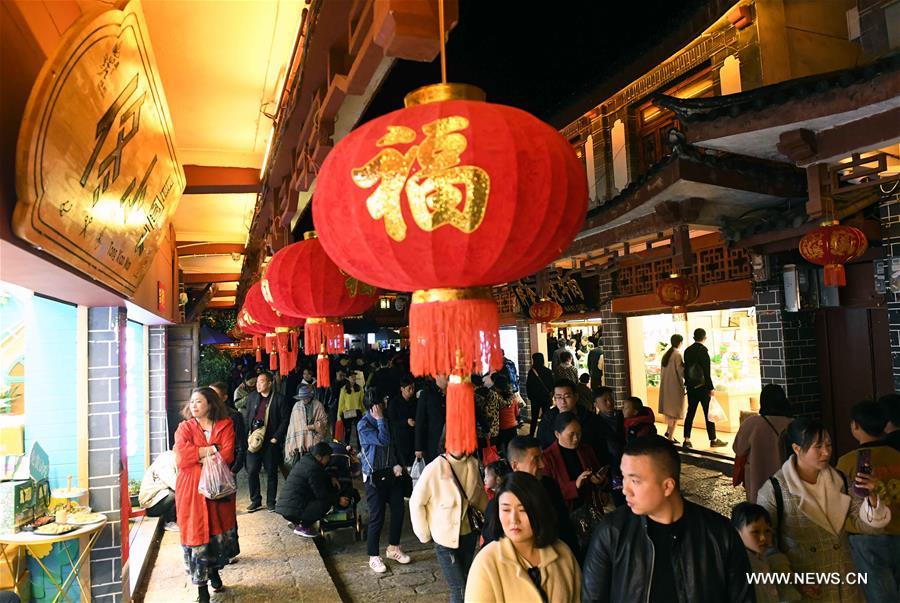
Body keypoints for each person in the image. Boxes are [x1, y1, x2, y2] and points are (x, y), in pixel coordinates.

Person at [582, 435, 753, 603]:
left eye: (634, 480)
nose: (625, 489)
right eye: (624, 477)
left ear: (667, 486)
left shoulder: (719, 534)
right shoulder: (611, 532)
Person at [757, 418, 891, 603]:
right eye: (817, 446)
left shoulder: (840, 480)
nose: (826, 452)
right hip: (806, 584)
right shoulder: (774, 490)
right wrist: (792, 580)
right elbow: (765, 546)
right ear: (797, 449)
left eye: (828, 444)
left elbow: (869, 526)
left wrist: (872, 496)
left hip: (844, 582)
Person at [466, 472, 582, 603]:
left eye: (523, 510)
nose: (513, 520)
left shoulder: (563, 553)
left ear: (539, 510)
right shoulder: (486, 563)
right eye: (506, 510)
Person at [174, 388, 239, 603]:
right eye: (192, 402)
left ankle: (214, 572)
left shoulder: (225, 425)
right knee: (196, 535)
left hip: (216, 490)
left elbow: (228, 454)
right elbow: (182, 457)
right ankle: (201, 589)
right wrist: (211, 449)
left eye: (199, 402)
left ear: (210, 404)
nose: (194, 405)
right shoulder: (184, 427)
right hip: (191, 490)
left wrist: (199, 454)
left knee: (214, 533)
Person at [836, 400, 900, 603]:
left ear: (855, 425)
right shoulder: (897, 456)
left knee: (879, 596)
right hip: (899, 531)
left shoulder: (846, 462)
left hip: (865, 538)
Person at [409, 448, 488, 603]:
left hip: (469, 533)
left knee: (465, 580)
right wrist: (424, 534)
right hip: (444, 538)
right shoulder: (434, 467)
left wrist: (493, 519)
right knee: (459, 588)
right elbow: (416, 502)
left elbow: (479, 497)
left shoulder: (472, 463)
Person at [482, 436, 579, 559]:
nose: (542, 465)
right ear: (515, 466)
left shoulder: (550, 487)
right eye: (536, 460)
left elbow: (565, 527)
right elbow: (491, 546)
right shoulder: (501, 501)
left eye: (542, 458)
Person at [357, 395, 412, 573]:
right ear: (374, 407)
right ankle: (373, 556)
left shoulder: (386, 420)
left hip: (391, 473)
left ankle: (393, 548)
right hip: (374, 476)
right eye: (382, 402)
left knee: (398, 510)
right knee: (377, 516)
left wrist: (398, 463)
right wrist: (380, 420)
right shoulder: (363, 425)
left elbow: (393, 445)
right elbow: (383, 440)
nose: (386, 404)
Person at [732, 383, 793, 502]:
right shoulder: (792, 424)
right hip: (786, 483)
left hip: (757, 484)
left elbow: (738, 449)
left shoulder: (751, 423)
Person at [730, 502, 800, 603]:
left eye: (767, 531)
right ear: (736, 533)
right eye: (755, 532)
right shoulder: (739, 564)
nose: (763, 538)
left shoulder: (762, 558)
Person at [276, 442, 349, 538]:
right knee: (325, 503)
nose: (329, 460)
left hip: (286, 507)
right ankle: (303, 526)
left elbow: (318, 478)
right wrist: (338, 499)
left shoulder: (307, 461)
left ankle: (296, 521)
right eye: (328, 457)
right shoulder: (314, 469)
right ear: (319, 457)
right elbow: (321, 495)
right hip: (292, 509)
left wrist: (330, 477)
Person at [241, 371, 290, 512]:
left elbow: (285, 420)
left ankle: (270, 502)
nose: (258, 384)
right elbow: (248, 417)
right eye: (257, 382)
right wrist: (247, 436)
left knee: (271, 472)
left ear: (270, 383)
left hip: (270, 441)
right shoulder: (251, 397)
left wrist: (277, 437)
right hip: (254, 440)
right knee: (251, 471)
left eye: (261, 381)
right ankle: (255, 500)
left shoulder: (280, 399)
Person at [542, 412, 605, 512]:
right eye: (571, 434)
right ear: (557, 434)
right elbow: (547, 494)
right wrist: (575, 485)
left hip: (590, 509)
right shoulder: (547, 458)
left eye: (579, 433)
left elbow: (597, 472)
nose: (576, 438)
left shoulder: (586, 449)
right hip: (565, 512)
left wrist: (599, 480)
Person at [682, 328, 727, 448]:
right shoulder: (703, 351)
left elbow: (686, 369)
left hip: (691, 387)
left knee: (690, 412)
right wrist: (711, 388)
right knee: (709, 413)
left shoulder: (687, 351)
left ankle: (686, 439)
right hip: (702, 387)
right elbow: (707, 372)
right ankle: (713, 439)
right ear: (704, 338)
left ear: (694, 337)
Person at [536, 379, 601, 459]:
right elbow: (541, 444)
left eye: (567, 396)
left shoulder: (589, 418)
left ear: (576, 397)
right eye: (559, 397)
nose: (563, 401)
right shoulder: (548, 419)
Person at [283, 384, 329, 465]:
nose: (303, 399)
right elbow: (293, 425)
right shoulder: (297, 406)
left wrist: (313, 426)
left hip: (314, 439)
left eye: (305, 397)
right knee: (301, 463)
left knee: (314, 462)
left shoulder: (318, 405)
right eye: (302, 398)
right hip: (300, 441)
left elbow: (324, 421)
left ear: (310, 396)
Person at [210, 381, 247, 475]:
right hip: (206, 465)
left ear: (224, 398)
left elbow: (241, 444)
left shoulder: (234, 416)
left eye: (215, 395)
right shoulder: (203, 415)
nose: (211, 398)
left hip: (227, 466)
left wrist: (235, 469)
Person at [139, 450, 178, 530]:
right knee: (175, 494)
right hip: (151, 506)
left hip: (157, 499)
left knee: (176, 492)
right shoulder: (167, 460)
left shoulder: (171, 457)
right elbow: (175, 484)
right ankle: (169, 522)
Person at [414, 375, 448, 463]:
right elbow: (420, 421)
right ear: (437, 375)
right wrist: (418, 447)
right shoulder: (426, 394)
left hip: (451, 442)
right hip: (433, 442)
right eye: (444, 373)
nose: (448, 376)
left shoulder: (452, 392)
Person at [657, 334, 684, 442]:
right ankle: (670, 437)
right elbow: (681, 371)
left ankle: (668, 432)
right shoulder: (677, 354)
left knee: (670, 412)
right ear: (680, 342)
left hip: (666, 387)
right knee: (675, 413)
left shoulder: (666, 354)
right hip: (675, 387)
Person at [387, 374, 417, 468]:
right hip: (400, 440)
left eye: (413, 388)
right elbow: (392, 422)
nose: (412, 391)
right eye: (409, 389)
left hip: (413, 439)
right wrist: (406, 422)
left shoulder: (415, 401)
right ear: (402, 389)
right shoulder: (394, 403)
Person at [526, 353, 555, 438]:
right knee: (546, 417)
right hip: (545, 397)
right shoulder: (548, 371)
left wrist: (530, 396)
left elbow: (528, 386)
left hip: (535, 399)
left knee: (534, 418)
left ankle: (531, 434)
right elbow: (551, 385)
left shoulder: (532, 371)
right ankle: (545, 434)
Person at [492, 372, 521, 456]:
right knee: (513, 449)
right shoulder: (513, 397)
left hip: (501, 428)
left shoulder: (495, 398)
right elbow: (516, 413)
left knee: (501, 451)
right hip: (512, 426)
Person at [473, 373, 501, 454]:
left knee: (483, 455)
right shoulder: (494, 393)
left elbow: (478, 415)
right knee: (494, 452)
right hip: (494, 429)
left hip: (481, 432)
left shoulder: (474, 396)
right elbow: (502, 405)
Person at [336, 377, 365, 447]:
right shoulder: (344, 389)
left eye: (354, 377)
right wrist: (339, 415)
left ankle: (360, 447)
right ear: (348, 378)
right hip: (347, 412)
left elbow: (362, 402)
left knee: (359, 430)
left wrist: (364, 412)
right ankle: (347, 447)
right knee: (347, 431)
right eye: (351, 377)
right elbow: (341, 403)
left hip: (357, 411)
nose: (353, 378)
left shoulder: (360, 388)